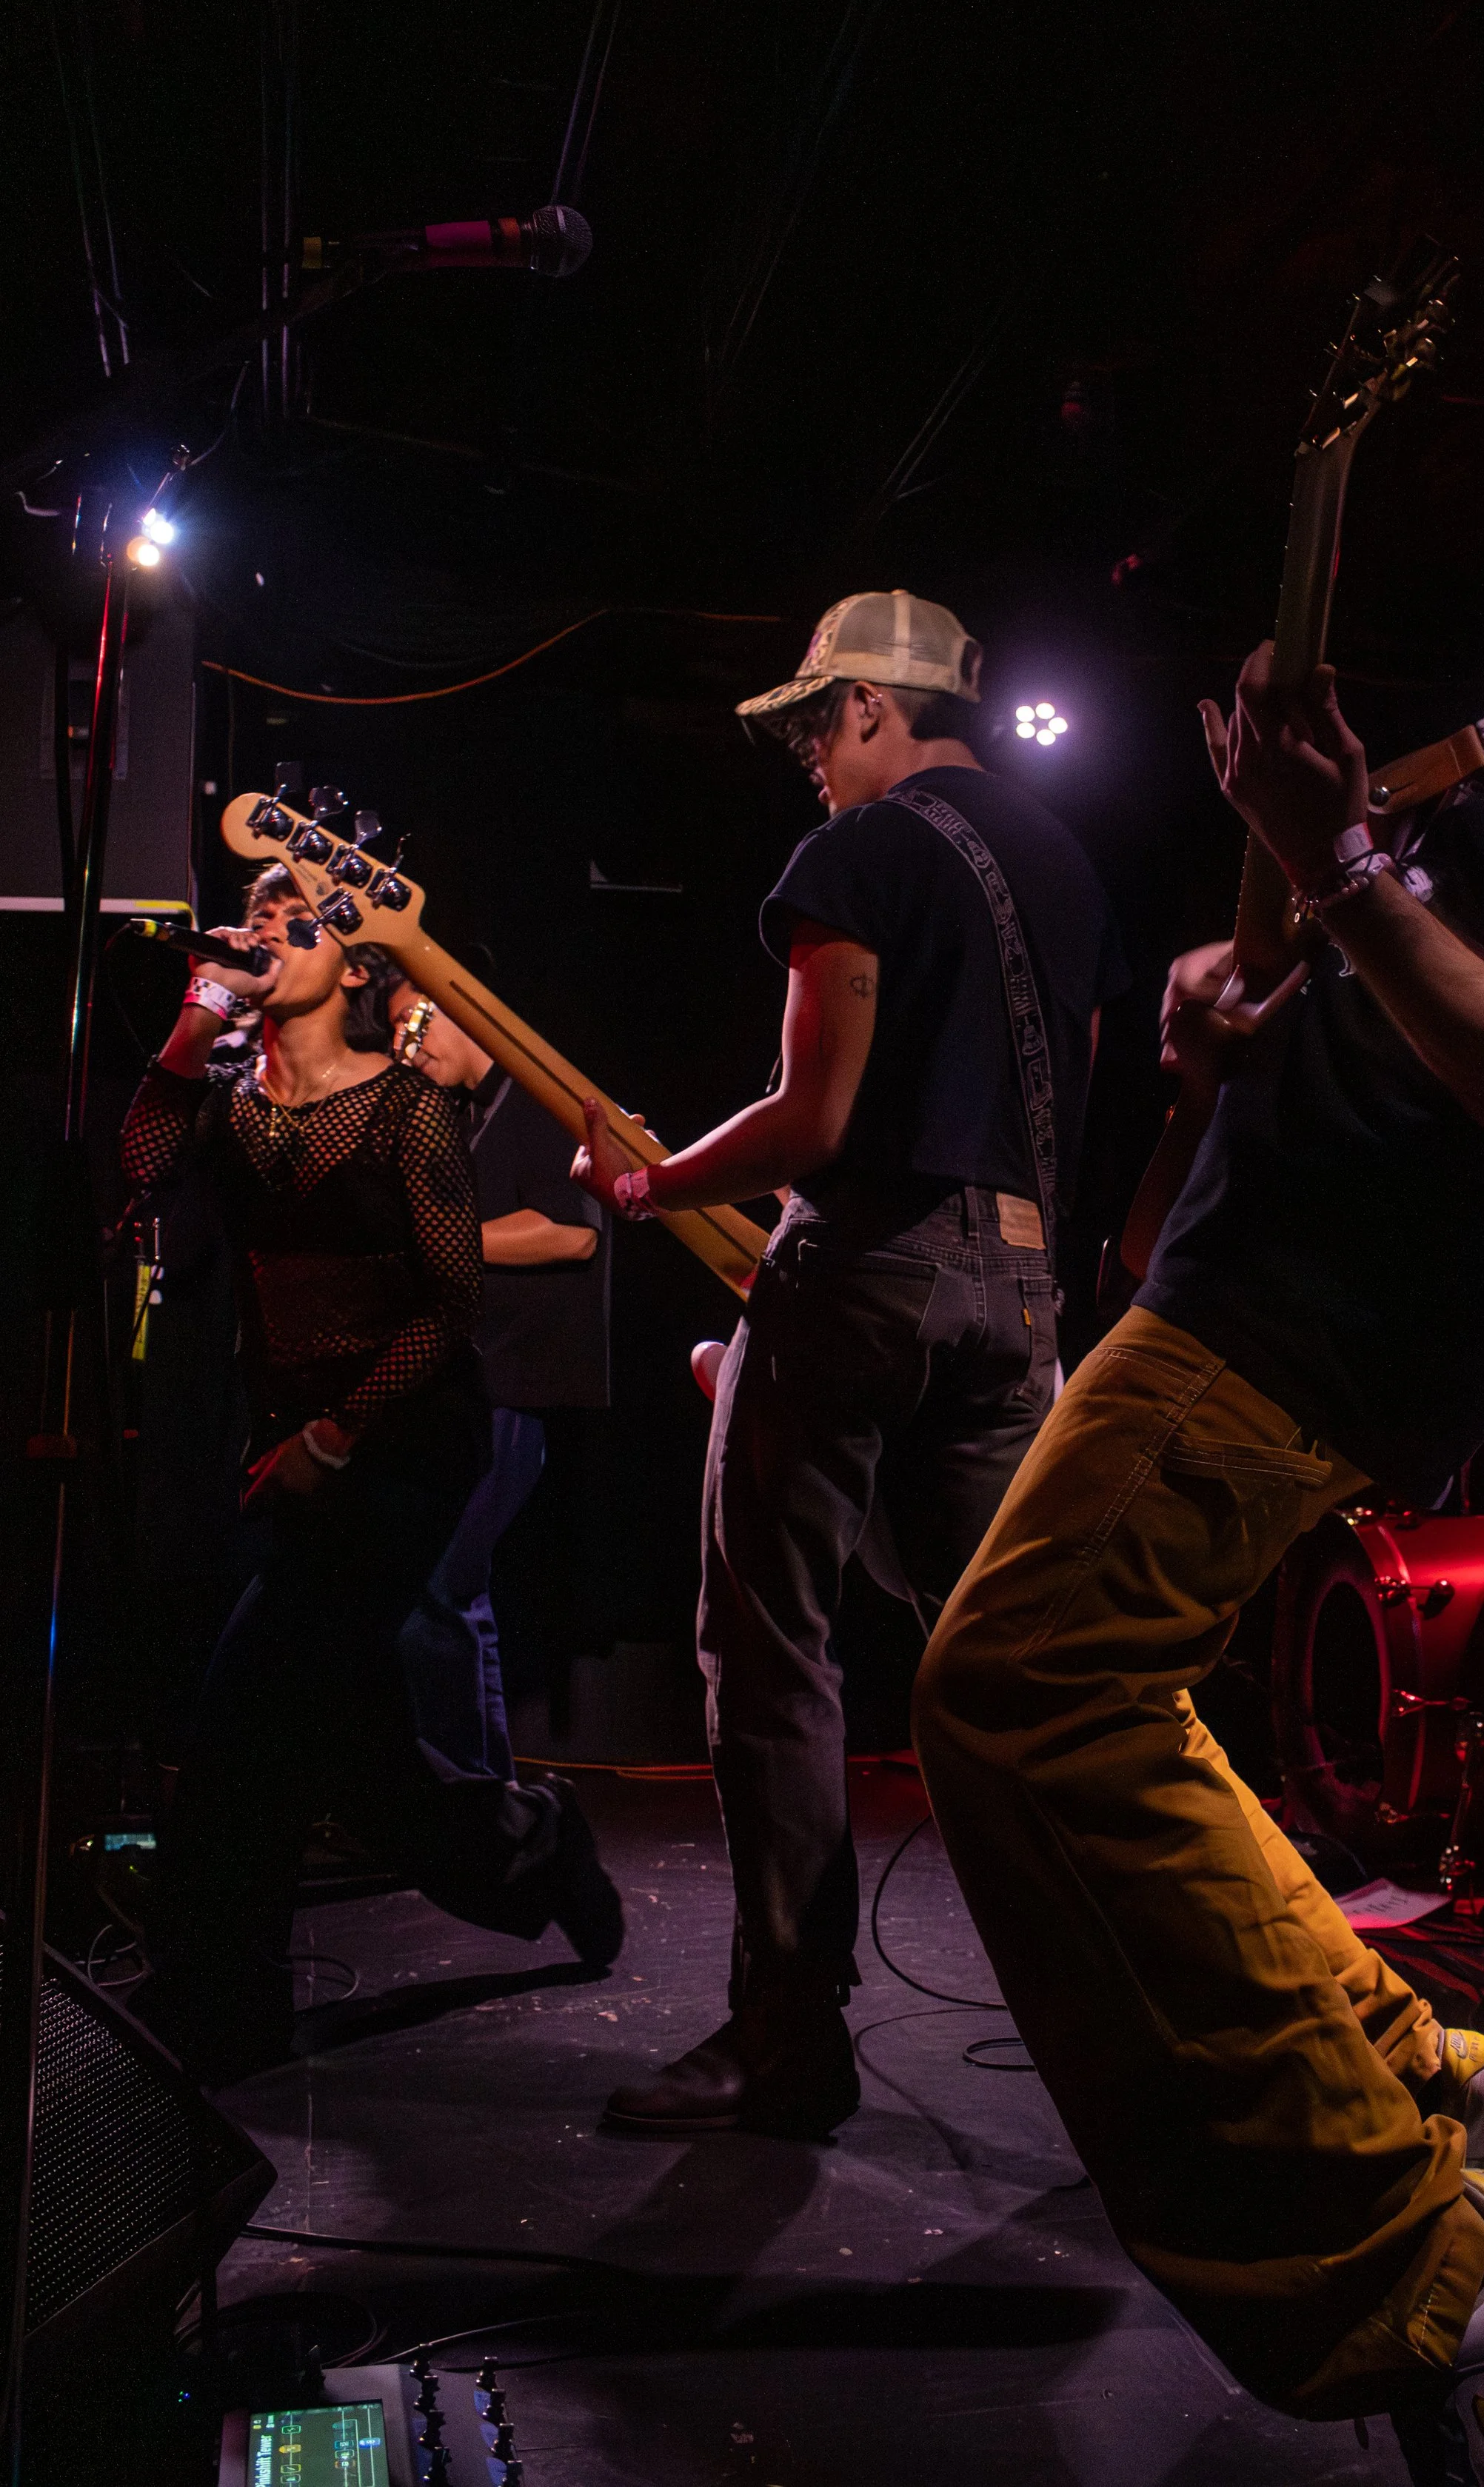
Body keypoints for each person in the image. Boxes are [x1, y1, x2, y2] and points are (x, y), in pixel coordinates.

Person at [911, 205, 1484, 2481]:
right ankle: (1415, 2071)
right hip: (1266, 1274)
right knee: (1079, 1686)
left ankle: (1429, 2252)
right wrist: (1280, 977)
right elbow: (1459, 999)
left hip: (1313, 1314)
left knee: (1016, 1684)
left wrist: (1335, 873)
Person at [572, 588, 1129, 2137]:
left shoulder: (856, 856)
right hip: (1020, 1283)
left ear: (879, 709)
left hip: (865, 1264)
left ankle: (784, 2038)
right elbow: (1061, 1120)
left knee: (767, 1651)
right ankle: (1141, 2039)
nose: (811, 762)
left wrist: (653, 1181)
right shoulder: (1066, 866)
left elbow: (815, 1124)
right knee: (1018, 1679)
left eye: (820, 727)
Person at [122, 868, 623, 2084]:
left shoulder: (406, 1108)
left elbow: (450, 1308)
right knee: (356, 1748)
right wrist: (194, 1021)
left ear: (356, 968)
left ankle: (216, 2005)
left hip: (399, 1456)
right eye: (260, 914)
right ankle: (532, 1847)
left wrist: (338, 1436)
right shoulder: (238, 1100)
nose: (267, 932)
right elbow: (142, 1163)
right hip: (292, 1455)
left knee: (247, 1720)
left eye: (298, 921)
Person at [380, 967, 608, 1782]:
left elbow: (569, 1231)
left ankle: (470, 1799)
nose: (406, 1051)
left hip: (514, 1388)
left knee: (440, 1590)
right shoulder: (472, 1113)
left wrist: (435, 1241)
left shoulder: (534, 1097)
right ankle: (479, 1792)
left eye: (413, 1024)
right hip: (481, 1385)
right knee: (450, 1590)